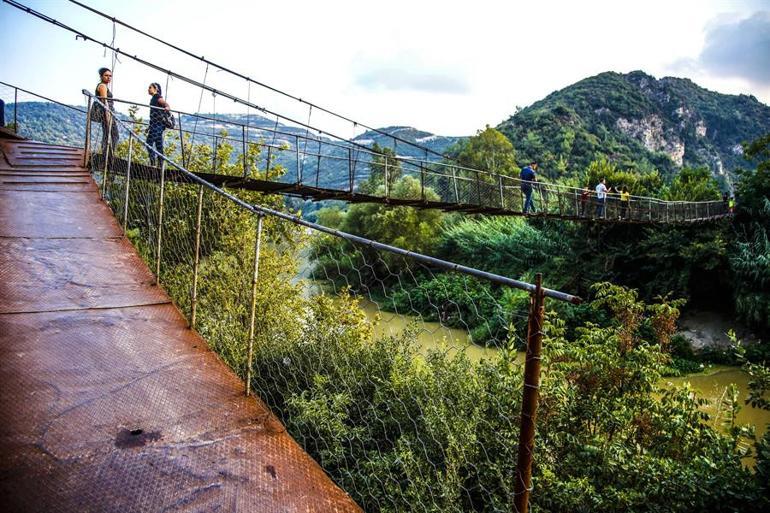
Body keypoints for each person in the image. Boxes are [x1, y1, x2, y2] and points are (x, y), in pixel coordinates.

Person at [95, 67, 118, 157]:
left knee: (108, 134)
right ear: (101, 76)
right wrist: (108, 115)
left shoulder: (104, 86)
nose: (109, 78)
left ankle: (107, 155)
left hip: (108, 113)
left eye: (110, 76)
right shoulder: (102, 86)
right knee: (113, 135)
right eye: (106, 75)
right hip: (107, 113)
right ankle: (108, 156)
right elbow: (105, 102)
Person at [147, 82, 170, 166]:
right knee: (159, 146)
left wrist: (167, 107)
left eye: (150, 87)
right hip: (156, 125)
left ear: (155, 89)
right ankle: (160, 165)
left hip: (157, 125)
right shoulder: (153, 98)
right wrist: (149, 126)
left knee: (148, 142)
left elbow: (165, 103)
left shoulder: (157, 97)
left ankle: (153, 163)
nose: (148, 89)